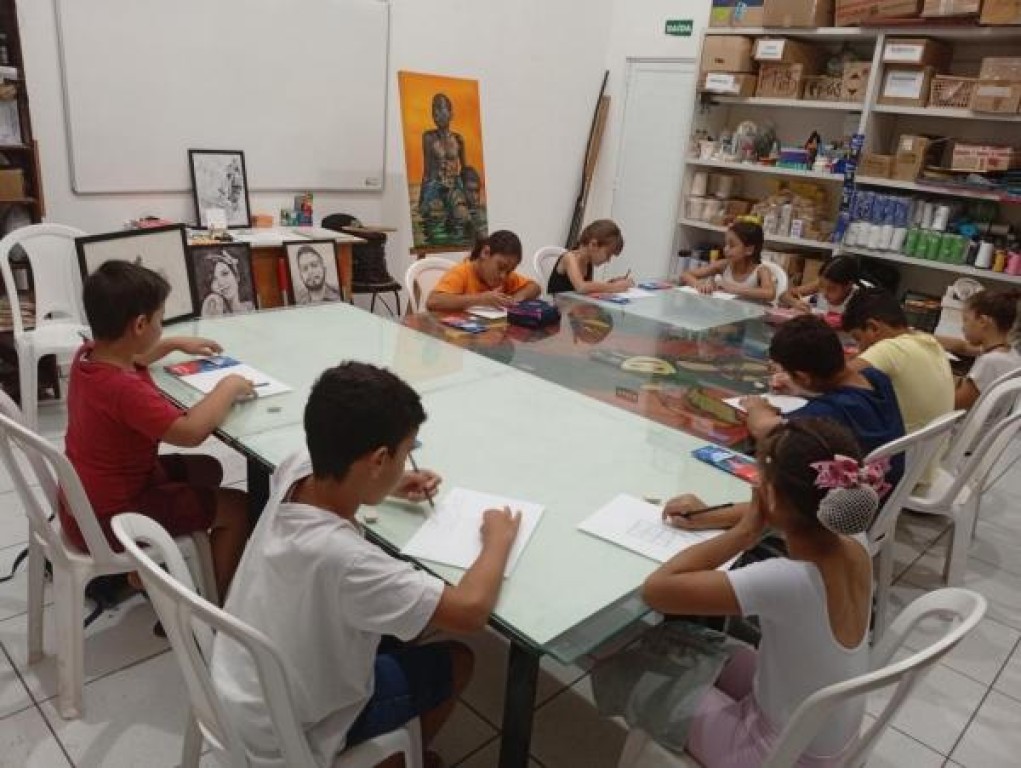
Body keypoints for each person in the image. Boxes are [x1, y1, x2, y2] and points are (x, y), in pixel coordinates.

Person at [210, 362, 521, 768]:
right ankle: (402, 759)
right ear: (378, 460)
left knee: (401, 629)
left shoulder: (297, 469)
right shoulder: (347, 558)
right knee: (458, 660)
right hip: (289, 734)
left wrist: (390, 485)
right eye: (406, 455)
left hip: (236, 690)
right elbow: (470, 611)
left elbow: (338, 480)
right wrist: (498, 540)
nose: (407, 465)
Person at [643, 418, 878, 767]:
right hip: (819, 734)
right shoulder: (851, 535)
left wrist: (743, 533)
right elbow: (799, 507)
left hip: (777, 755)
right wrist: (708, 516)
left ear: (770, 498)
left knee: (642, 670)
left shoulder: (787, 580)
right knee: (690, 643)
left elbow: (657, 590)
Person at [63, 261, 252, 597]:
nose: (161, 328)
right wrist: (229, 385)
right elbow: (190, 432)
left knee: (209, 468)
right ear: (140, 325)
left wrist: (174, 344)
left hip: (84, 502)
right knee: (239, 507)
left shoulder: (88, 355)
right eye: (160, 321)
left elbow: (136, 357)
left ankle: (151, 570)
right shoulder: (125, 390)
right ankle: (214, 605)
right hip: (110, 521)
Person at [669, 316, 905, 533]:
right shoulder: (875, 378)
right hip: (876, 497)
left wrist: (756, 407)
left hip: (831, 518)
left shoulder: (825, 415)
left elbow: (763, 429)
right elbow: (839, 384)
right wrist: (802, 386)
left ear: (803, 376)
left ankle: (706, 517)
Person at [842, 288, 954, 442]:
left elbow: (837, 378)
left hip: (902, 451)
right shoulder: (929, 341)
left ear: (873, 328)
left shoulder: (891, 348)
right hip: (930, 450)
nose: (859, 348)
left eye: (858, 339)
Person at [938, 288, 1021, 410]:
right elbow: (963, 347)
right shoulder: (1010, 354)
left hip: (961, 421)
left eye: (966, 320)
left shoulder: (990, 362)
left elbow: (953, 404)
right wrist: (923, 337)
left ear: (982, 321)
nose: (963, 327)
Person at [426, 229, 540, 312]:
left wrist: (515, 299)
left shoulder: (505, 276)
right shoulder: (462, 272)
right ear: (485, 253)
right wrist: (480, 299)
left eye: (509, 271)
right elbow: (433, 301)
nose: (503, 276)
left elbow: (534, 287)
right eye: (500, 267)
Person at [679, 221, 777, 303]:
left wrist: (734, 289)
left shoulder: (761, 270)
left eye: (732, 245)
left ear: (749, 250)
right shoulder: (724, 265)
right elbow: (685, 274)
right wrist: (699, 285)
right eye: (726, 244)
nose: (725, 249)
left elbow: (770, 294)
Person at [419, 92, 469, 240]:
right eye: (434, 109)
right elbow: (427, 170)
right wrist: (422, 199)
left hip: (454, 186)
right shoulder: (428, 137)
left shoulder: (458, 139)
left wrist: (466, 196)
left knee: (462, 219)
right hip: (435, 186)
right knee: (433, 226)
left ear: (451, 113)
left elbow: (465, 171)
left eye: (441, 108)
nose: (436, 113)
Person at [547, 219, 632, 295]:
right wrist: (615, 287)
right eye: (608, 254)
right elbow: (581, 287)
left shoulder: (588, 262)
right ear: (593, 245)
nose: (608, 260)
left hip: (575, 305)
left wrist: (611, 283)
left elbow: (588, 289)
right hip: (558, 306)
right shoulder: (570, 258)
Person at [781, 255, 861, 315]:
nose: (824, 293)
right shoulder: (820, 284)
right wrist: (795, 302)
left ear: (848, 286)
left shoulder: (859, 299)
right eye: (822, 286)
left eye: (831, 289)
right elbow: (784, 295)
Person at [200, 250, 255, 316]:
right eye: (214, 279)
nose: (221, 283)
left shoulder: (251, 307)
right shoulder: (213, 304)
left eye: (225, 273)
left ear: (236, 275)